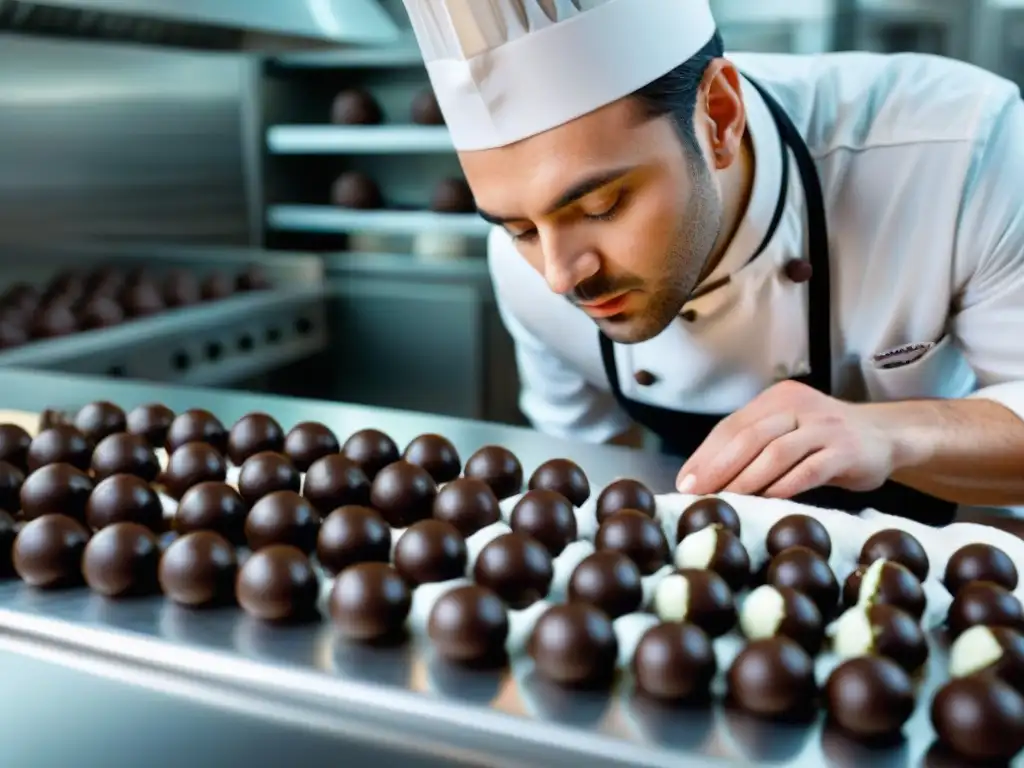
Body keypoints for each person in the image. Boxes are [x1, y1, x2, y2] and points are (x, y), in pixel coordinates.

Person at [400, 0, 1024, 525]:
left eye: (601, 204)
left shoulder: (960, 150)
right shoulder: (527, 270)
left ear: (720, 117)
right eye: (519, 229)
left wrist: (889, 435)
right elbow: (590, 467)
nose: (561, 275)